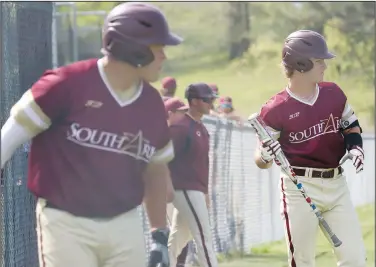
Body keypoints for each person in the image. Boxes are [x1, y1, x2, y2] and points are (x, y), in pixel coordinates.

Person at [1, 2, 183, 267]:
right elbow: (9, 135)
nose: (164, 56)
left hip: (124, 222)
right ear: (134, 48)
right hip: (65, 221)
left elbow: (155, 171)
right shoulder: (65, 84)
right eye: (158, 48)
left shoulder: (152, 104)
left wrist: (159, 235)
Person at [252, 30, 366, 267]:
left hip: (336, 185)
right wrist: (264, 155)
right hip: (299, 188)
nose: (324, 66)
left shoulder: (333, 93)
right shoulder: (275, 109)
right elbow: (260, 160)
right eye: (319, 61)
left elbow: (351, 126)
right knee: (302, 262)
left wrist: (356, 149)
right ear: (301, 64)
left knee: (355, 259)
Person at [167, 83, 218, 267]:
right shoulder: (181, 127)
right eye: (207, 99)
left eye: (212, 99)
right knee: (203, 236)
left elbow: (203, 164)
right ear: (194, 101)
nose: (211, 103)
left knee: (178, 237)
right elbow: (162, 158)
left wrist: (205, 192)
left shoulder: (200, 127)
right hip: (184, 187)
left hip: (195, 189)